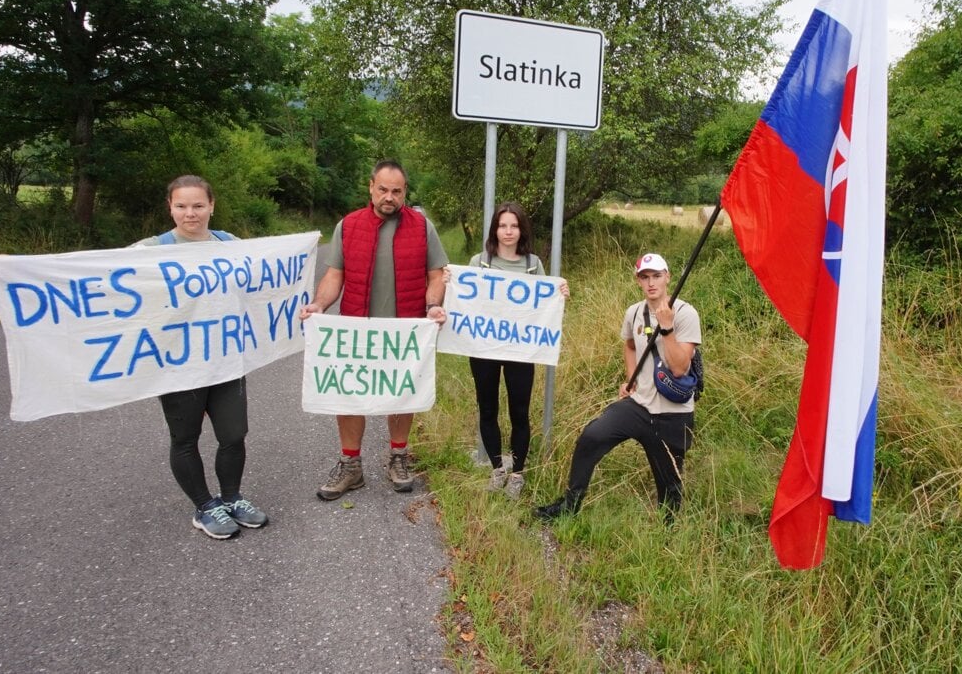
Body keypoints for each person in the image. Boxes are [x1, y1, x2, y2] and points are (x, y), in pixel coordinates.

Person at [298, 159, 448, 499]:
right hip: (357, 327)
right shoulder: (348, 226)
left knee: (402, 390)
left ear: (405, 192)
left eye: (397, 191)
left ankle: (398, 456)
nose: (389, 197)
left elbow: (436, 273)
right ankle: (351, 466)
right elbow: (335, 274)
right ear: (371, 187)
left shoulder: (423, 227)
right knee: (348, 392)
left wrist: (433, 304)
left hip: (404, 328)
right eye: (383, 189)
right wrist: (319, 305)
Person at [132, 174, 268, 540]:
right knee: (185, 437)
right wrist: (9, 270)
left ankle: (232, 498)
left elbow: (264, 276)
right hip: (180, 366)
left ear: (211, 206)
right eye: (181, 206)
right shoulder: (151, 250)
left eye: (197, 205)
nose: (189, 214)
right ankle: (204, 506)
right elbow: (92, 273)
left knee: (233, 435)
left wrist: (301, 252)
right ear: (170, 208)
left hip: (225, 359)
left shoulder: (230, 244)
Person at [534, 253, 700, 522]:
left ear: (668, 277)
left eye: (657, 276)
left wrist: (667, 328)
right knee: (592, 436)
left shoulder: (685, 313)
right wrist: (631, 379)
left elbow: (680, 367)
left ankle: (667, 531)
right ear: (638, 281)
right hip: (639, 406)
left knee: (669, 489)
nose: (651, 283)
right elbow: (630, 344)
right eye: (645, 277)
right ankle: (569, 505)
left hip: (673, 413)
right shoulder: (634, 312)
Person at [463, 202, 568, 499]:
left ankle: (518, 472)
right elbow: (464, 300)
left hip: (521, 350)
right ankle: (497, 468)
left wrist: (559, 294)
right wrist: (451, 284)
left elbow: (544, 304)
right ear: (495, 229)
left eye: (514, 226)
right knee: (488, 407)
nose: (508, 232)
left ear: (521, 230)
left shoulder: (533, 264)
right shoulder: (479, 261)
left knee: (519, 411)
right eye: (502, 225)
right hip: (484, 347)